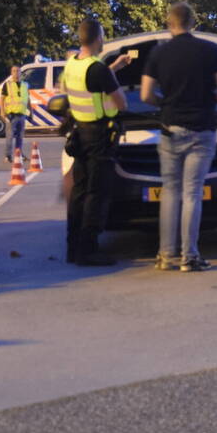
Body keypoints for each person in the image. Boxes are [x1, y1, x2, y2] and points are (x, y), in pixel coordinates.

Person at [140, 3, 217, 272]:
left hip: (170, 129)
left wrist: (165, 103)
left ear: (170, 23)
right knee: (192, 193)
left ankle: (166, 256)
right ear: (193, 22)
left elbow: (146, 95)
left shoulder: (158, 53)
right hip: (202, 129)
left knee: (170, 192)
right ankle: (189, 257)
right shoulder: (211, 51)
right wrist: (207, 101)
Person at [64, 19, 130, 266]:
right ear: (97, 38)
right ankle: (89, 250)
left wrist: (114, 67)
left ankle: (73, 247)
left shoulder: (73, 65)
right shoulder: (98, 69)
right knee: (97, 193)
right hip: (99, 137)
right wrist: (111, 73)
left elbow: (91, 83)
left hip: (80, 133)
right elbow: (122, 102)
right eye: (102, 36)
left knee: (80, 192)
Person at [1, 64, 30, 163]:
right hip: (11, 115)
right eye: (14, 71)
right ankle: (8, 156)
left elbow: (28, 99)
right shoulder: (7, 85)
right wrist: (2, 111)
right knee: (9, 136)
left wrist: (32, 112)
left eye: (18, 71)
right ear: (11, 73)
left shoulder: (25, 85)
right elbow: (2, 98)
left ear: (20, 73)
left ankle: (19, 154)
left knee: (20, 137)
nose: (16, 73)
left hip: (21, 114)